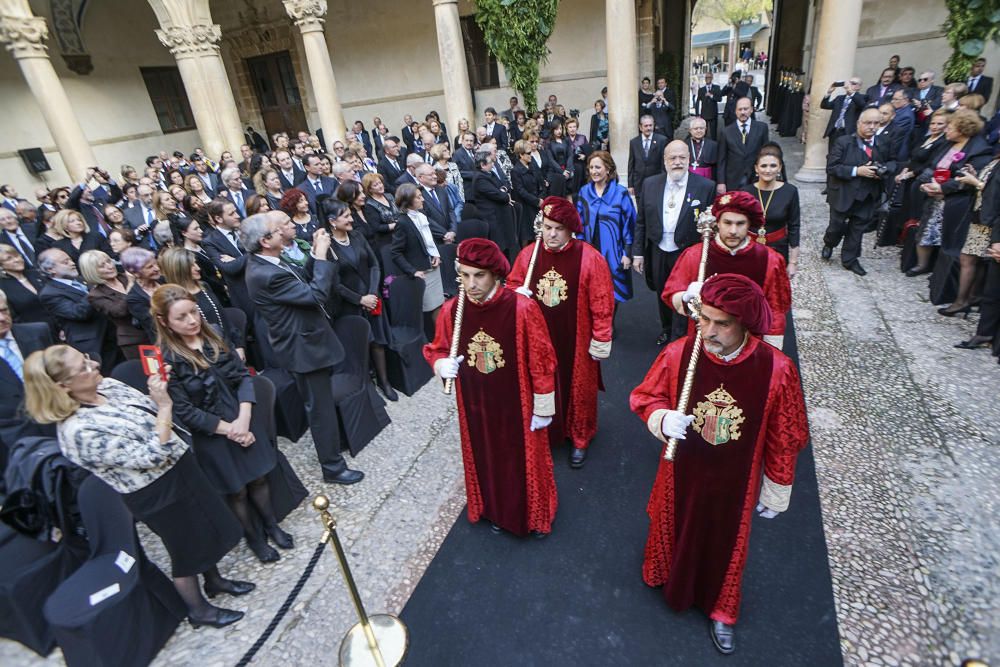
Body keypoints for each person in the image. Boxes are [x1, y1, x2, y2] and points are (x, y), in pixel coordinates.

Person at [630, 273, 809, 655]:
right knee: (673, 519)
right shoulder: (680, 354)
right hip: (682, 468)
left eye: (720, 323)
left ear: (744, 323)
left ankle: (722, 608)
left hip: (736, 480)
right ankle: (666, 572)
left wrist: (777, 486)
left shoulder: (776, 369)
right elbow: (645, 395)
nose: (707, 330)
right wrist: (661, 417)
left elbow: (786, 434)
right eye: (704, 318)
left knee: (727, 542)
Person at [24, 345, 252, 628]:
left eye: (86, 357)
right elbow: (150, 455)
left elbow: (148, 410)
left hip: (180, 467)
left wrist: (158, 393)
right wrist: (166, 406)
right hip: (155, 491)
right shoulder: (78, 431)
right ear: (63, 386)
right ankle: (198, 610)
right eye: (82, 367)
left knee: (203, 530)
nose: (93, 364)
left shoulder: (108, 385)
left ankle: (215, 581)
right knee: (185, 548)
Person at [424, 238, 558, 537]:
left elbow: (542, 360)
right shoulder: (451, 311)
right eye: (464, 275)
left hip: (517, 403)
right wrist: (439, 364)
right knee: (487, 457)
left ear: (495, 273)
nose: (470, 284)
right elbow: (437, 348)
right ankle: (493, 509)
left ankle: (533, 515)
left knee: (522, 459)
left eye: (478, 275)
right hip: (476, 404)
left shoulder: (522, 308)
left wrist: (543, 406)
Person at [151, 285, 294, 563]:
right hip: (211, 431)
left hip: (240, 415)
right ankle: (253, 537)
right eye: (181, 317)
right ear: (163, 321)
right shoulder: (167, 359)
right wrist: (231, 430)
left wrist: (243, 419)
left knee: (260, 477)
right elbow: (184, 410)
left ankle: (271, 524)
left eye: (194, 312)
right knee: (237, 491)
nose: (192, 321)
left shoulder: (213, 332)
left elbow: (241, 377)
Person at [242, 211, 364, 485]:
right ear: (265, 240)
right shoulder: (264, 274)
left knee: (320, 403)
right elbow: (314, 295)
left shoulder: (271, 260)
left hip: (308, 340)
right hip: (302, 348)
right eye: (280, 226)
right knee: (319, 409)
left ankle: (334, 448)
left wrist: (314, 258)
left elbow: (301, 281)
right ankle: (332, 468)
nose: (288, 227)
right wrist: (320, 254)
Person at [507, 197, 614, 468]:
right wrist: (514, 295)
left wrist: (601, 336)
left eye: (558, 228)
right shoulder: (529, 255)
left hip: (576, 337)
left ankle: (580, 436)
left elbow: (602, 301)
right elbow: (513, 284)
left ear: (570, 230)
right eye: (546, 227)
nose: (551, 234)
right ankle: (546, 431)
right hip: (538, 338)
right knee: (540, 384)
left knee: (579, 387)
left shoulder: (589, 258)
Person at [662, 191, 791, 349]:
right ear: (717, 223)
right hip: (705, 342)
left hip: (750, 345)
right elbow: (671, 293)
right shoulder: (695, 255)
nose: (733, 231)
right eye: (727, 223)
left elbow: (776, 309)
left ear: (749, 224)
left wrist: (772, 350)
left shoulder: (769, 260)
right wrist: (686, 297)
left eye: (740, 224)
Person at [632, 140, 716, 345]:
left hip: (687, 251)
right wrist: (638, 253)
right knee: (662, 291)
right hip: (658, 249)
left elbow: (712, 227)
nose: (677, 162)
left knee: (687, 292)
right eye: (672, 158)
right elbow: (641, 221)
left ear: (689, 159)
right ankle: (667, 328)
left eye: (682, 157)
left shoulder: (706, 187)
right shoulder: (650, 184)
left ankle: (682, 335)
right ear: (665, 160)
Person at [822, 108, 896, 275]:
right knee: (836, 227)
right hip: (843, 194)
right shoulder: (843, 142)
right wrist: (857, 171)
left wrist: (885, 170)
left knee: (857, 229)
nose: (872, 127)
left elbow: (893, 161)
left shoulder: (883, 142)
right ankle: (829, 243)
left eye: (876, 123)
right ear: (858, 123)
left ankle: (850, 260)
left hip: (868, 196)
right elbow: (832, 168)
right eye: (868, 123)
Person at [38, 247, 118, 371]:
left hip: (113, 334)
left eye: (70, 259)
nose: (72, 263)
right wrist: (95, 290)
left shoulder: (82, 280)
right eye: (65, 262)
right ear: (50, 269)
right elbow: (78, 312)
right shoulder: (49, 293)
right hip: (95, 344)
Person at [576, 151, 636, 308]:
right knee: (591, 288)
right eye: (591, 167)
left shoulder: (620, 193)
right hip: (590, 249)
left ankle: (609, 325)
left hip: (614, 251)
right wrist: (580, 251)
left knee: (613, 290)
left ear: (608, 169)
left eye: (598, 167)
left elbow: (629, 223)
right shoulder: (584, 192)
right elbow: (579, 224)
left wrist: (627, 253)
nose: (594, 171)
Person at [157, 247, 242, 356]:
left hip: (228, 346)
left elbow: (223, 318)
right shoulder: (176, 301)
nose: (198, 268)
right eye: (192, 266)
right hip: (208, 354)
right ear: (181, 270)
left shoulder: (204, 286)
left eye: (196, 263)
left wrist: (239, 345)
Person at [740, 144, 801, 270]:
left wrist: (793, 262)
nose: (768, 170)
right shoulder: (745, 192)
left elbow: (794, 226)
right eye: (763, 166)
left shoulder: (790, 191)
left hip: (778, 249)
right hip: (749, 248)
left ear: (780, 168)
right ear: (756, 168)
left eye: (773, 166)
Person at [79, 249, 147, 359]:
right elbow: (119, 311)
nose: (110, 266)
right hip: (135, 339)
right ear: (92, 271)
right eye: (102, 265)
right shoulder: (95, 295)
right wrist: (131, 285)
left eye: (109, 261)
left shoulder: (125, 277)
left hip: (154, 329)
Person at [392, 183, 446, 322]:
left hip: (433, 267)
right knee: (430, 309)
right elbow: (396, 253)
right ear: (408, 201)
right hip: (421, 272)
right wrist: (412, 271)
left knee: (439, 304)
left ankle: (443, 337)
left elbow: (429, 240)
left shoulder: (421, 215)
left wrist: (437, 255)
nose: (423, 199)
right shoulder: (402, 223)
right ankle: (439, 339)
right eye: (418, 197)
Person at [717, 98, 770, 194]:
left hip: (755, 178)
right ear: (735, 111)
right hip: (733, 179)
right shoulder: (726, 131)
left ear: (751, 109)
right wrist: (721, 182)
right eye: (740, 109)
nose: (743, 112)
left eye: (745, 109)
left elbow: (766, 154)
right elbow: (721, 159)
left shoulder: (762, 128)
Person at [0, 243, 54, 335]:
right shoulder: (3, 287)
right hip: (36, 333)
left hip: (62, 325)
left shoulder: (37, 274)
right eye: (9, 259)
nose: (17, 260)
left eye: (17, 255)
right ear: (1, 266)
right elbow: (14, 317)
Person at [821, 78, 867, 152]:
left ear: (859, 87)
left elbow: (863, 106)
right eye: (849, 82)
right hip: (834, 131)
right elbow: (824, 105)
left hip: (848, 132)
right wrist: (829, 93)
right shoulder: (840, 98)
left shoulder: (862, 98)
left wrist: (851, 93)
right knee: (832, 154)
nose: (850, 85)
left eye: (853, 83)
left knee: (845, 155)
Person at [627, 115, 668, 199]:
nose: (648, 128)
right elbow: (631, 164)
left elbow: (663, 163)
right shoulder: (634, 142)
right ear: (640, 127)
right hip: (639, 183)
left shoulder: (662, 140)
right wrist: (630, 185)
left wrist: (664, 181)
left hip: (656, 182)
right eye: (646, 126)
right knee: (640, 209)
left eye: (650, 125)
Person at [360, 173, 399, 252]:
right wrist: (396, 225)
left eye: (380, 183)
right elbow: (377, 227)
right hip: (387, 242)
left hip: (400, 234)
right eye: (375, 185)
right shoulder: (369, 205)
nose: (380, 186)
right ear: (369, 189)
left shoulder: (389, 196)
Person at [687, 116, 719, 182]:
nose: (699, 131)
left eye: (701, 128)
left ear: (705, 129)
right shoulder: (684, 144)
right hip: (688, 179)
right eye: (696, 129)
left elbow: (717, 167)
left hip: (707, 180)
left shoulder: (713, 145)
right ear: (690, 130)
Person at [695, 73, 722, 140]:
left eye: (709, 77)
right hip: (704, 114)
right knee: (703, 132)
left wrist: (711, 96)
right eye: (706, 77)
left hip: (713, 114)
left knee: (713, 133)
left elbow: (719, 99)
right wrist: (697, 114)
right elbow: (697, 102)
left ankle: (714, 147)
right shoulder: (701, 89)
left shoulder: (716, 88)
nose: (707, 79)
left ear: (712, 78)